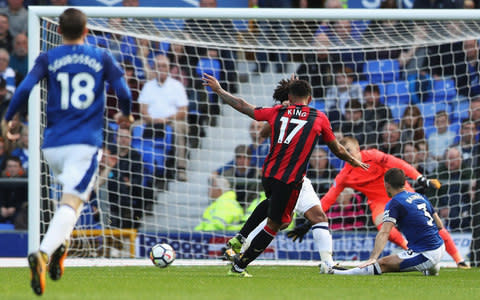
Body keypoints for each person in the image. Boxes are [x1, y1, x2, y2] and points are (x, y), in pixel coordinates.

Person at [3, 8, 133, 295]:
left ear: (59, 31)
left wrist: (8, 117)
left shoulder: (49, 57)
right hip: (84, 145)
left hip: (52, 146)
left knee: (69, 203)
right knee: (73, 203)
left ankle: (62, 246)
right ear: (86, 31)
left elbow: (24, 88)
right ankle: (44, 252)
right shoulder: (101, 56)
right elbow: (124, 93)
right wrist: (126, 116)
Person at [203, 73, 368, 276]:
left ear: (289, 96)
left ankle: (241, 238)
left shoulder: (278, 111)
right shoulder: (318, 117)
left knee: (277, 209)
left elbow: (244, 106)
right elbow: (337, 149)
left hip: (269, 173)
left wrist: (220, 90)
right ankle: (239, 265)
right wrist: (354, 161)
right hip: (290, 179)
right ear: (309, 97)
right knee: (276, 224)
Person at [310, 136, 467, 268]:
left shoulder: (373, 155)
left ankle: (459, 260)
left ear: (358, 148)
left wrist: (420, 178)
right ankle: (410, 250)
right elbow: (328, 199)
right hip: (378, 202)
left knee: (430, 221)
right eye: (342, 153)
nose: (347, 154)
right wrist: (312, 218)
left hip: (401, 191)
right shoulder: (344, 175)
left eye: (349, 150)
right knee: (382, 225)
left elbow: (397, 163)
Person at [326, 168, 445, 276]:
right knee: (413, 255)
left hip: (426, 253)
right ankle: (432, 267)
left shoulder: (395, 203)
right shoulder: (420, 196)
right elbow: (439, 225)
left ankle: (334, 272)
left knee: (381, 264)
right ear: (404, 182)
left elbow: (384, 232)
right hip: (440, 246)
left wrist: (373, 258)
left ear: (387, 185)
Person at [138, 54, 189, 181]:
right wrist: (152, 119)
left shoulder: (177, 85)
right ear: (154, 68)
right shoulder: (148, 86)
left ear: (168, 68)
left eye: (164, 66)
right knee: (133, 127)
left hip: (172, 121)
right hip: (150, 121)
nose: (161, 68)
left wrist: (167, 119)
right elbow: (142, 109)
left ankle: (180, 168)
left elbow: (183, 111)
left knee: (178, 130)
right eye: (158, 66)